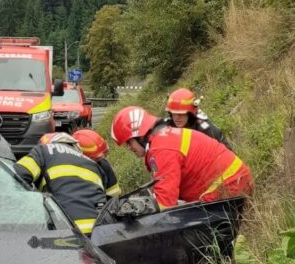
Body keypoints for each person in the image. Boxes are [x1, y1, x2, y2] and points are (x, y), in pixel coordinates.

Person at [111, 106, 253, 210]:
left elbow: (165, 203)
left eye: (129, 142)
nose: (128, 148)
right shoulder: (164, 139)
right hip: (231, 181)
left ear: (140, 135)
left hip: (229, 185)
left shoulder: (162, 149)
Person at [13, 131, 108, 235]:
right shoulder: (94, 165)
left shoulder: (43, 150)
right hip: (99, 233)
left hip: (67, 232)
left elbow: (16, 175)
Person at [163, 88, 230, 146]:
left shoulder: (207, 131)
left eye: (181, 113)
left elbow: (227, 154)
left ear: (190, 114)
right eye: (173, 113)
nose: (176, 118)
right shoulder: (167, 127)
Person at [72, 129, 122, 199]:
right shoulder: (70, 172)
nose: (101, 159)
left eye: (103, 155)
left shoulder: (103, 165)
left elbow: (114, 193)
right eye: (96, 158)